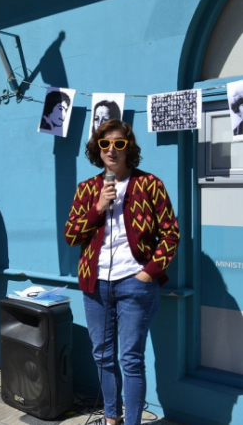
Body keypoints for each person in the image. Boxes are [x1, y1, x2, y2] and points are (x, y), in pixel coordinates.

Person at [64, 120, 180, 425]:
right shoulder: (87, 189)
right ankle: (111, 418)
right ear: (97, 149)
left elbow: (170, 233)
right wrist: (98, 206)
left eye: (119, 144)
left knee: (130, 359)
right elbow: (71, 235)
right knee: (102, 357)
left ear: (129, 148)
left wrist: (150, 272)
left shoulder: (149, 185)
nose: (112, 150)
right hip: (96, 285)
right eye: (105, 144)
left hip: (135, 283)